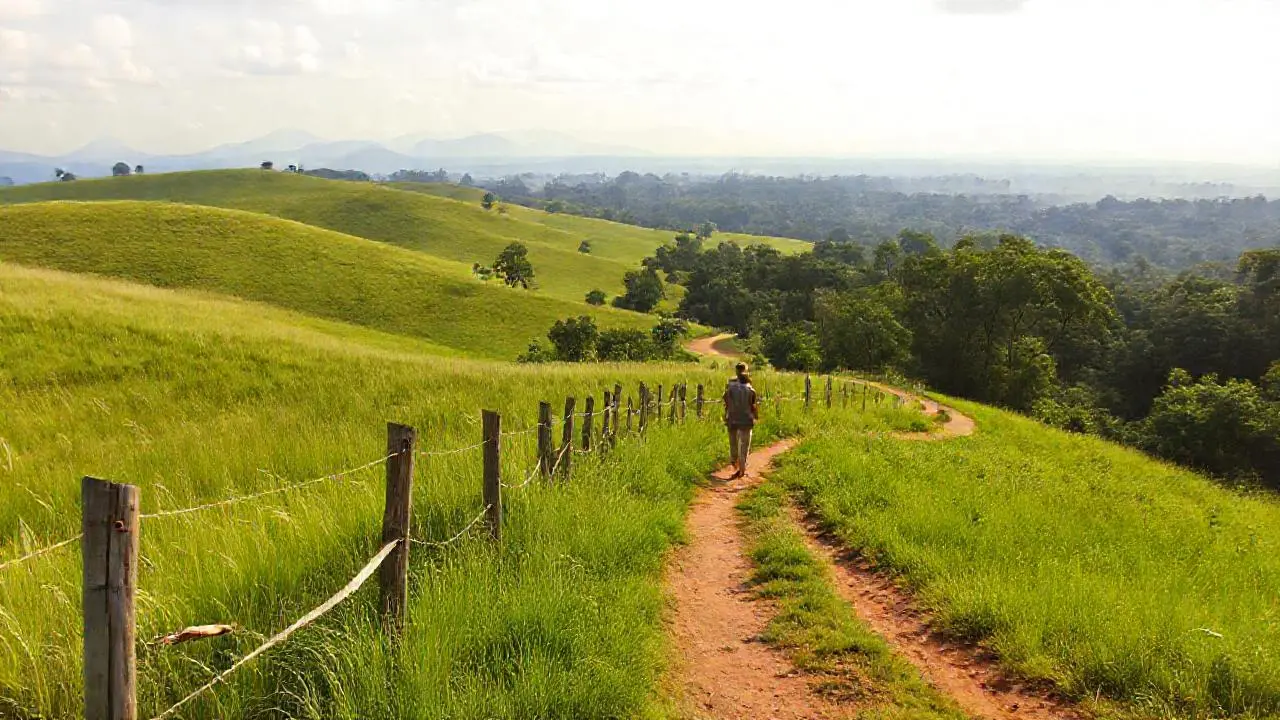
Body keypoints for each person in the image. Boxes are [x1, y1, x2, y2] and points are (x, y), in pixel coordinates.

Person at [723, 362, 759, 478]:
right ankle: (742, 467)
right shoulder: (751, 390)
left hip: (733, 418)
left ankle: (734, 460)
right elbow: (753, 406)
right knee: (744, 444)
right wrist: (756, 416)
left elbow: (726, 400)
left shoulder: (731, 386)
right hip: (746, 420)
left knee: (733, 442)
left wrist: (727, 413)